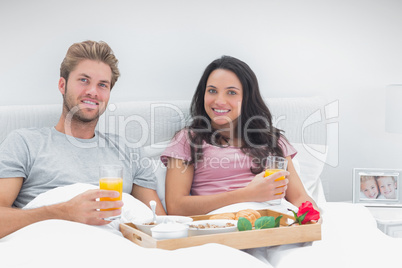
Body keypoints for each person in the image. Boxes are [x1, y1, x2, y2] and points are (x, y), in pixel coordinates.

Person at [0, 40, 165, 239]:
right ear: (63, 85)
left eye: (102, 85)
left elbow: (159, 226)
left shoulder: (128, 150)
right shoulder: (24, 143)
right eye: (84, 80)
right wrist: (62, 212)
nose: (93, 92)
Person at [161, 55, 318, 216]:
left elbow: (299, 197)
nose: (219, 101)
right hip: (223, 227)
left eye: (231, 92)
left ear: (247, 98)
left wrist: (313, 219)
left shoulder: (272, 140)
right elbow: (176, 207)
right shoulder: (188, 140)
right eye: (212, 91)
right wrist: (247, 194)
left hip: (274, 224)